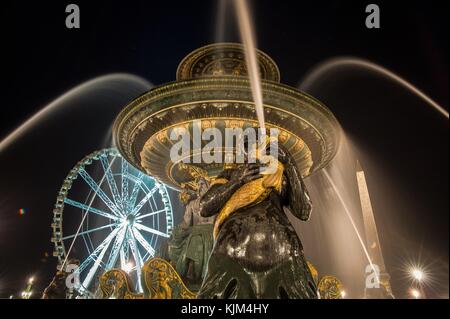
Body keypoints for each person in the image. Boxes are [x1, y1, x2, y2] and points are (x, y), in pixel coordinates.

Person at [197, 143, 317, 299]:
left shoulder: (278, 174)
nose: (256, 149)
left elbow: (304, 211)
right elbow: (205, 207)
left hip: (281, 253)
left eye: (261, 143)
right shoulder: (231, 173)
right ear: (243, 153)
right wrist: (238, 180)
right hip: (232, 253)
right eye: (249, 145)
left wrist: (289, 161)